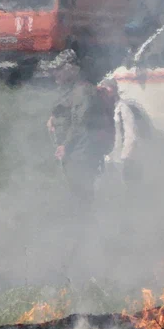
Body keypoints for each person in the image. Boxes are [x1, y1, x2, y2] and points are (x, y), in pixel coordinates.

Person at [47, 50, 113, 209]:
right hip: (74, 152)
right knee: (75, 192)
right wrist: (53, 119)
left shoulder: (83, 90)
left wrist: (65, 145)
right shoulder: (71, 89)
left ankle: (85, 225)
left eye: (59, 69)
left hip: (81, 153)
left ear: (71, 70)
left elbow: (80, 123)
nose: (55, 73)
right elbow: (66, 111)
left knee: (82, 194)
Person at [98, 77, 148, 186]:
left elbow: (131, 134)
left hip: (121, 158)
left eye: (107, 90)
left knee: (124, 185)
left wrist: (126, 156)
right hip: (109, 157)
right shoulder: (104, 109)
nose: (105, 94)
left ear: (114, 91)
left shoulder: (123, 108)